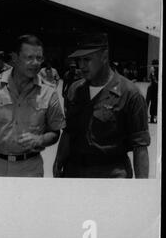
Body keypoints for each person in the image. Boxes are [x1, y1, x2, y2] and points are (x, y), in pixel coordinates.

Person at [0, 35, 65, 177]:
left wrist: (40, 139)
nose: (35, 63)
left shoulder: (49, 92)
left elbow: (55, 132)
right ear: (15, 58)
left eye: (39, 58)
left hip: (30, 169)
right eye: (29, 57)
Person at [53, 33, 150, 178]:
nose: (81, 66)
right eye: (79, 60)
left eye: (87, 59)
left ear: (104, 56)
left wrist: (141, 189)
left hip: (111, 175)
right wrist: (58, 160)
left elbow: (140, 147)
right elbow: (68, 132)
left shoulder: (130, 94)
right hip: (74, 172)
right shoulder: (75, 89)